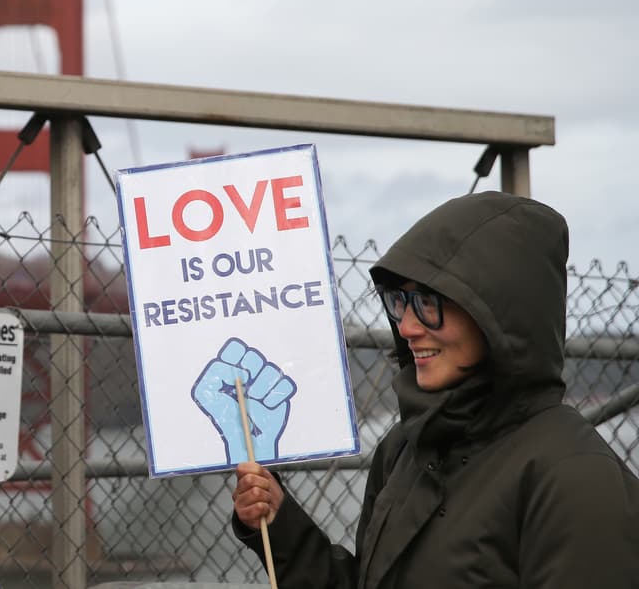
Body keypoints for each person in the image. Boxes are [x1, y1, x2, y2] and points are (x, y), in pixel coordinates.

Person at [229, 191, 639, 587]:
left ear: (498, 313)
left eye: (428, 303)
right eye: (400, 302)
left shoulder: (576, 478)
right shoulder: (404, 448)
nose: (407, 326)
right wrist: (279, 526)